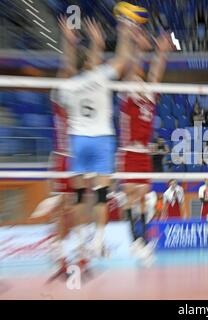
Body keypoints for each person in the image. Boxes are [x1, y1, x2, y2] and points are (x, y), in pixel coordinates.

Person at [59, 17, 136, 258]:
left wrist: (69, 43)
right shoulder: (101, 76)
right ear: (92, 62)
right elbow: (122, 61)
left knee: (81, 195)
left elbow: (68, 69)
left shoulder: (68, 85)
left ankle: (82, 241)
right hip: (102, 138)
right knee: (102, 194)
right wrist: (123, 31)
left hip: (78, 139)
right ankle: (98, 242)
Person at [117, 28, 172, 254]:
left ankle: (144, 241)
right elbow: (132, 71)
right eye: (137, 78)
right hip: (129, 151)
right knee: (131, 196)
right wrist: (138, 47)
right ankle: (135, 241)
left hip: (143, 154)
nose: (140, 79)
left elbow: (155, 75)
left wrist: (161, 53)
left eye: (141, 78)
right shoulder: (128, 95)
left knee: (143, 200)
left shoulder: (149, 96)